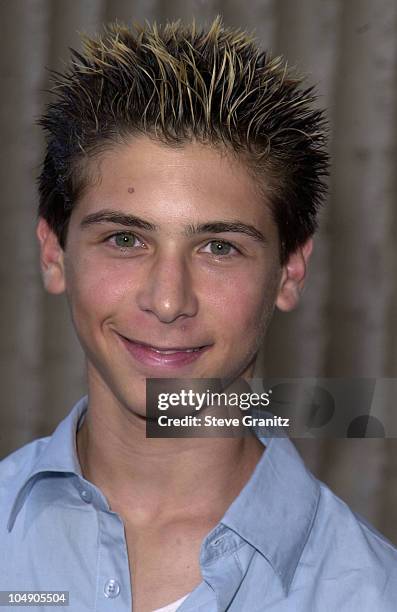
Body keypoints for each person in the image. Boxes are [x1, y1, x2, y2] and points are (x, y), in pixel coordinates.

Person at [1, 16, 396, 612]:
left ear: (290, 271)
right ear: (54, 254)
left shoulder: (372, 592)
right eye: (125, 240)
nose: (166, 301)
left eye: (219, 248)